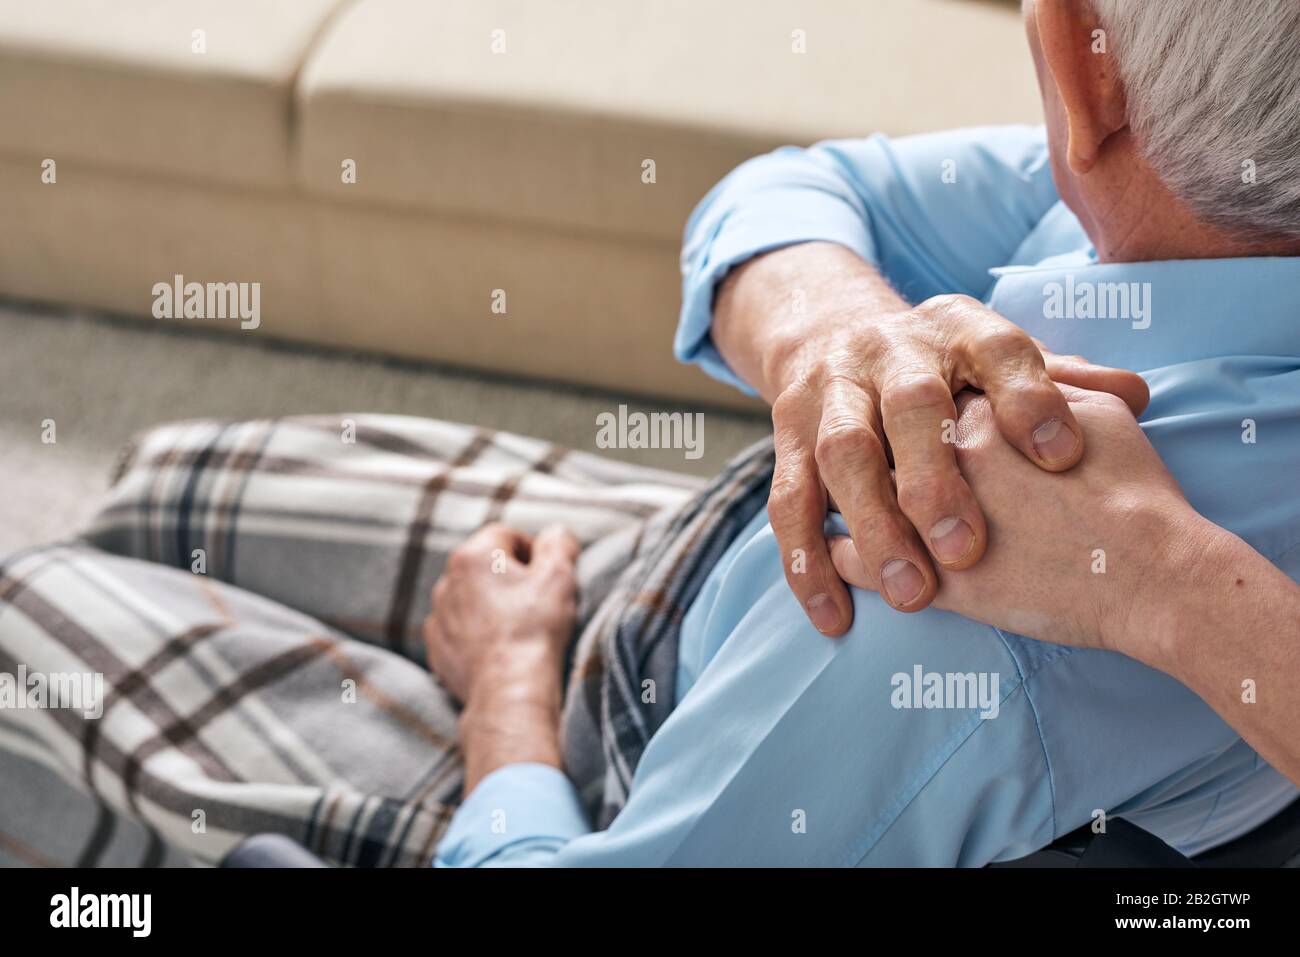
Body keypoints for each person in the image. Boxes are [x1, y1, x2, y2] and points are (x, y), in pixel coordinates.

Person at [431, 0, 1300, 865]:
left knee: (301, 494)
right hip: (709, 556)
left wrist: (506, 693)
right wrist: (845, 341)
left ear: (1084, 61)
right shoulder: (1214, 180)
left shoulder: (968, 577)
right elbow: (787, 190)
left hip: (608, 740)